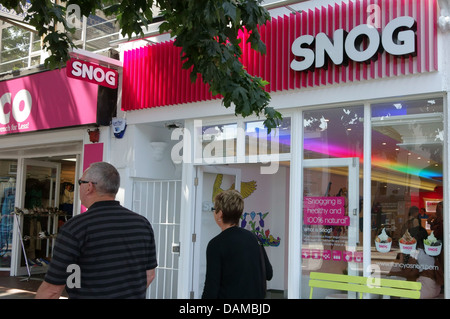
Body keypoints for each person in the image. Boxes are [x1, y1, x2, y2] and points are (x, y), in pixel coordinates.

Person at [35, 162, 157, 299]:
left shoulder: (75, 228)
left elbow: (52, 290)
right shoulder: (142, 223)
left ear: (89, 186)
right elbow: (150, 275)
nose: (78, 187)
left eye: (80, 182)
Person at [202, 189, 273, 299]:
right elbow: (269, 274)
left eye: (214, 209)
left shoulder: (216, 244)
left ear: (220, 214)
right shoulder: (255, 238)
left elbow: (211, 288)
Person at [389, 226, 443, 299]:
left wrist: (390, 273)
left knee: (396, 294)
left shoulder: (417, 252)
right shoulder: (429, 251)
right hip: (435, 289)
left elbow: (408, 273)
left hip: (424, 289)